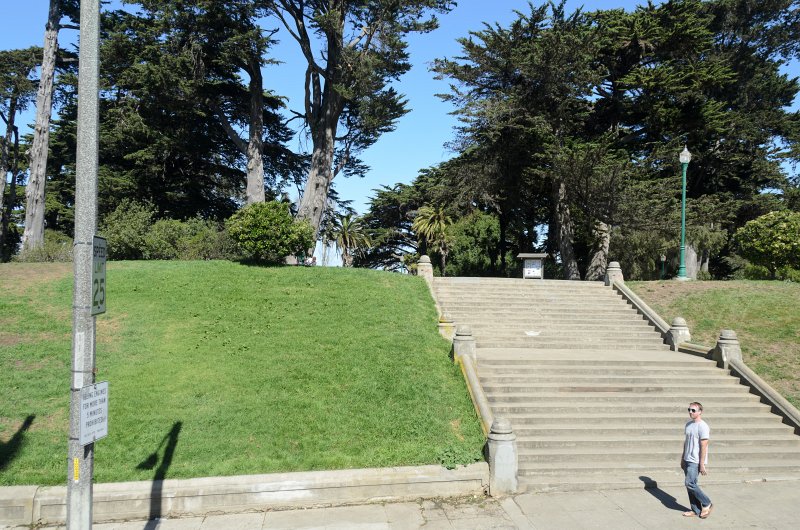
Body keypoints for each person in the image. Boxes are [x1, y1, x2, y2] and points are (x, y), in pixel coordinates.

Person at [681, 402, 713, 518]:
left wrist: (702, 464)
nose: (690, 412)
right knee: (690, 486)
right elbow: (686, 443)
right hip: (687, 459)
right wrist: (682, 458)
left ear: (700, 412)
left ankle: (707, 503)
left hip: (695, 461)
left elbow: (704, 446)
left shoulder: (703, 426)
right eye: (689, 409)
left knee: (690, 483)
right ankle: (695, 510)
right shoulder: (688, 425)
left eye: (693, 410)